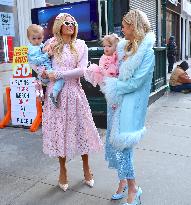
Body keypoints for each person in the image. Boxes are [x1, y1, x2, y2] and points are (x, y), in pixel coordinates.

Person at [41, 13, 102, 192]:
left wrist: (59, 74)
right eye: (66, 22)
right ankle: (63, 169)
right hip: (55, 94)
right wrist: (43, 73)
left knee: (81, 128)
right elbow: (42, 65)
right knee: (60, 130)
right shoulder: (50, 44)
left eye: (73, 22)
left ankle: (86, 167)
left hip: (74, 92)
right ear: (59, 25)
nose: (70, 25)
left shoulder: (81, 45)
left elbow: (81, 70)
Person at [101, 9, 155, 205]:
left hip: (131, 106)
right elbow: (111, 67)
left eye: (124, 25)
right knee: (115, 146)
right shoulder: (123, 47)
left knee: (124, 149)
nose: (121, 28)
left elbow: (136, 83)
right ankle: (123, 182)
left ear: (134, 26)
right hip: (116, 103)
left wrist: (111, 86)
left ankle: (134, 189)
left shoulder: (147, 53)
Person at [27, 24, 64, 106]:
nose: (37, 40)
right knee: (61, 78)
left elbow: (42, 51)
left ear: (43, 37)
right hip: (44, 70)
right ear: (29, 38)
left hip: (46, 69)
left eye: (39, 38)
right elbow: (35, 61)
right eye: (34, 38)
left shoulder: (40, 45)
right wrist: (47, 55)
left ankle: (49, 96)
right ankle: (54, 95)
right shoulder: (32, 49)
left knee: (56, 80)